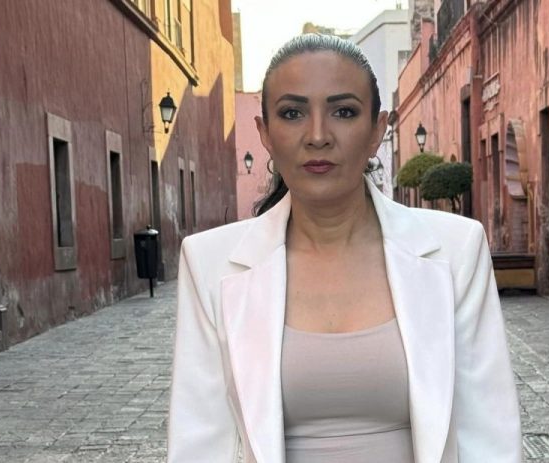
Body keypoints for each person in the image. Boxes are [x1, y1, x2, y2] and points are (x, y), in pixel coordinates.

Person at [167, 34, 521, 463]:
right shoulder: (210, 263)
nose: (318, 135)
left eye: (344, 111)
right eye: (292, 113)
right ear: (265, 133)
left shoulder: (455, 250)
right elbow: (200, 443)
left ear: (377, 130)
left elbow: (489, 436)